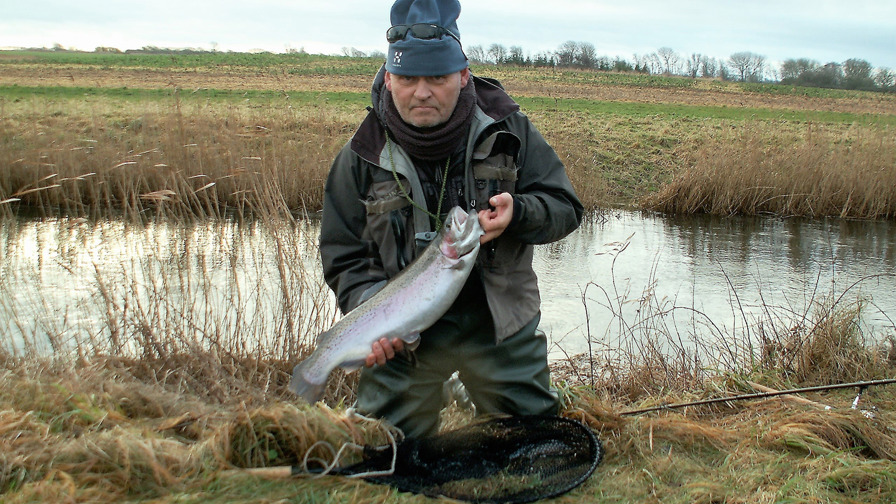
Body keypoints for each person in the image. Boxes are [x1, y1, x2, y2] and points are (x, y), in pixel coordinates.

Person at [319, 0, 583, 439]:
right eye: (406, 78)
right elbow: (343, 254)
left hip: (499, 327)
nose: (421, 92)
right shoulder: (360, 156)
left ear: (463, 76)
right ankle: (433, 393)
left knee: (531, 439)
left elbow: (566, 207)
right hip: (405, 340)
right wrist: (372, 309)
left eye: (437, 78)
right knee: (388, 450)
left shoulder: (509, 130)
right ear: (389, 78)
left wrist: (519, 213)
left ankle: (474, 389)